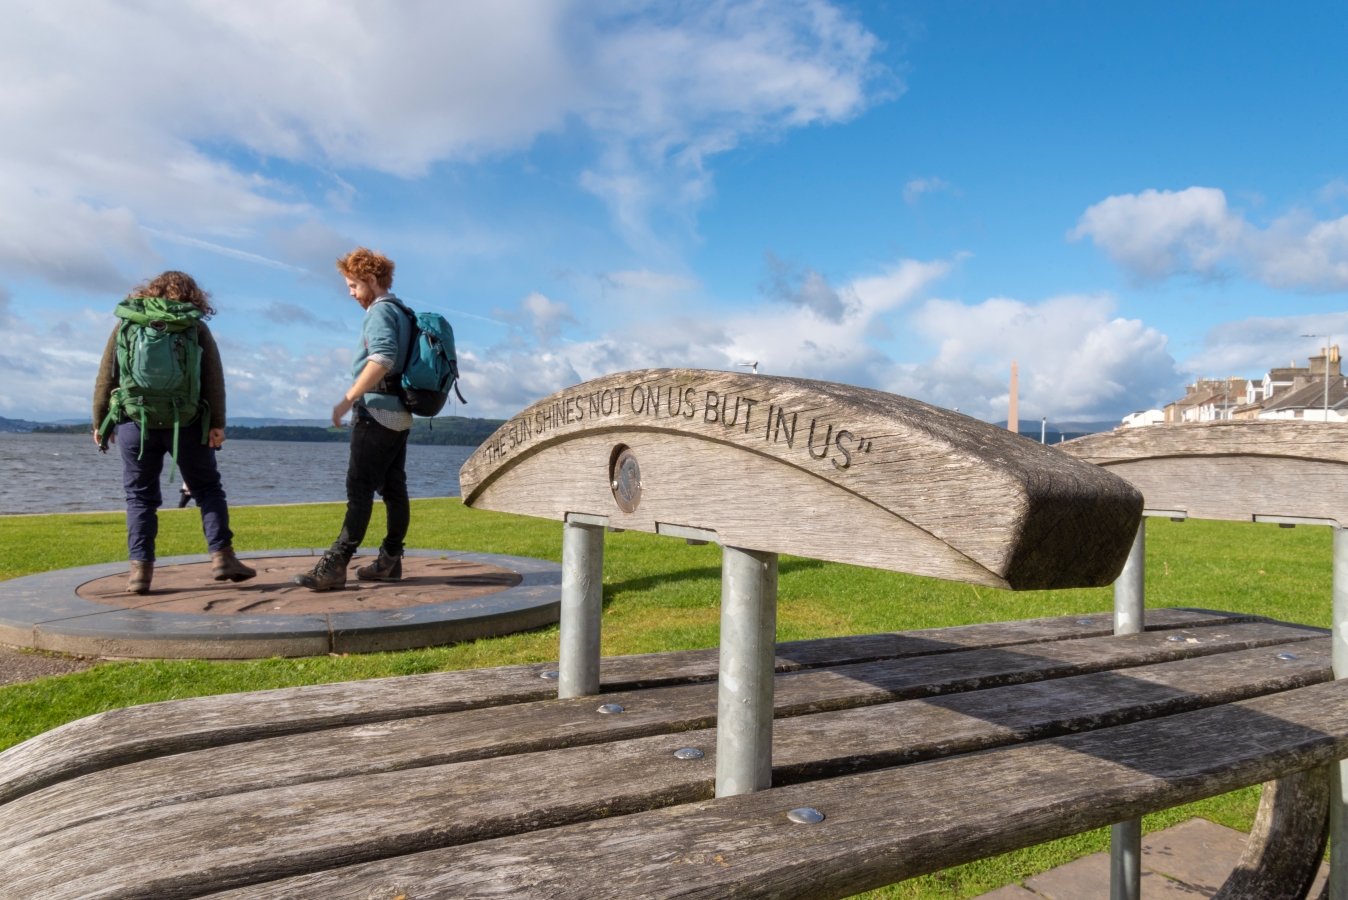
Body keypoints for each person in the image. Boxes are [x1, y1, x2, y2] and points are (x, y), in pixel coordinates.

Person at [93, 271, 256, 594]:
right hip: (188, 422)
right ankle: (222, 557)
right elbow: (213, 379)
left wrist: (101, 422)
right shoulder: (195, 326)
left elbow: (106, 374)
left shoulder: (128, 321)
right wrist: (217, 424)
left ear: (150, 291)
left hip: (134, 421)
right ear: (193, 296)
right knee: (208, 489)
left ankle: (140, 573)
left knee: (140, 498)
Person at [293, 248, 411, 591]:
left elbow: (383, 357)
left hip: (376, 412)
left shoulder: (379, 312)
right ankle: (390, 561)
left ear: (371, 280)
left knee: (359, 489)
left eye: (353, 285)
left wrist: (347, 399)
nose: (350, 293)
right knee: (393, 489)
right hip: (401, 413)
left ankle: (335, 564)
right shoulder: (403, 311)